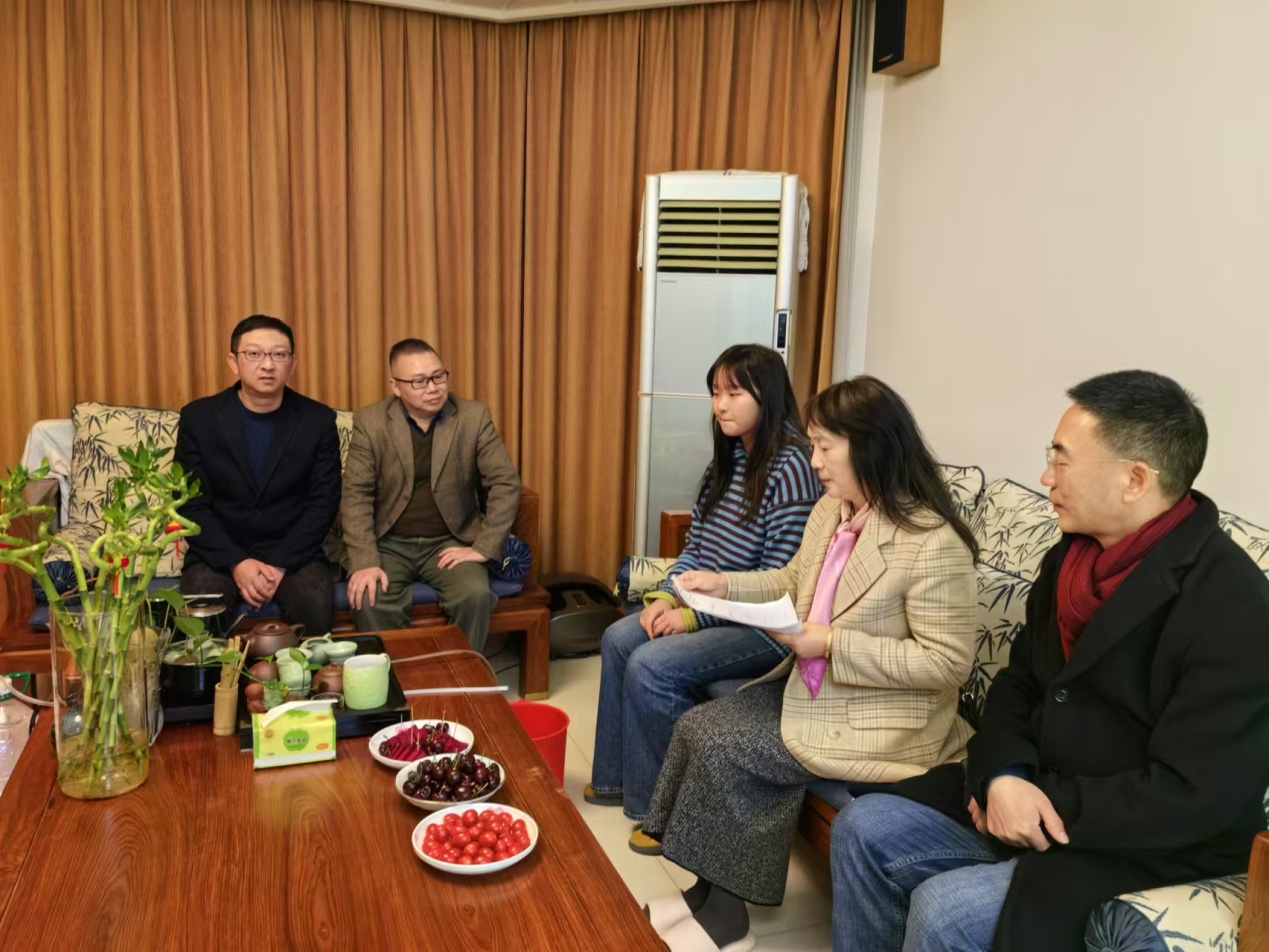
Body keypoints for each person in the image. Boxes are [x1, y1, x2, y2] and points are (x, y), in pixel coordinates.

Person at [830, 370, 1269, 952]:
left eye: (1062, 460)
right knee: (863, 828)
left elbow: (1196, 795)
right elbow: (1018, 684)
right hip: (1032, 789)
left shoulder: (1234, 604)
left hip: (1135, 844)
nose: (1046, 477)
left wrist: (1037, 803)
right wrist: (1004, 775)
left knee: (946, 912)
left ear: (1135, 479)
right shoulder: (1071, 559)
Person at [639, 376, 980, 952]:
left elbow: (947, 663)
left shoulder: (931, 542)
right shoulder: (833, 510)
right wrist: (723, 584)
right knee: (699, 725)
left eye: (825, 446)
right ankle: (705, 894)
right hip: (819, 687)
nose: (814, 460)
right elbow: (790, 579)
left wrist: (832, 644)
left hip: (881, 719)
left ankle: (726, 921)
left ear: (870, 446)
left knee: (728, 744)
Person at [586, 345, 822, 848]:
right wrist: (668, 597)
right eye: (715, 393)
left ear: (767, 395)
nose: (721, 405)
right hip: (713, 606)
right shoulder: (726, 462)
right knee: (618, 637)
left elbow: (779, 580)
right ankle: (616, 780)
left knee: (653, 664)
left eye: (734, 393)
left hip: (767, 627)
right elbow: (695, 547)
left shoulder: (793, 466)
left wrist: (693, 620)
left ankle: (671, 814)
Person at [339, 338, 520, 651]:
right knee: (371, 598)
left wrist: (482, 547)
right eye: (420, 381)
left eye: (439, 376)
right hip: (389, 542)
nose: (433, 388)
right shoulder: (371, 421)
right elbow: (356, 494)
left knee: (474, 596)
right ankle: (399, 675)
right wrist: (365, 560)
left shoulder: (473, 417)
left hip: (449, 541)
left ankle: (461, 674)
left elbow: (505, 482)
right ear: (396, 387)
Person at [176, 314, 341, 636]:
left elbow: (323, 503)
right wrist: (238, 563)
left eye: (279, 355)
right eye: (254, 354)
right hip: (219, 554)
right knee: (200, 614)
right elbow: (189, 504)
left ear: (292, 363)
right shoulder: (199, 418)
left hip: (294, 553)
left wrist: (278, 564)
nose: (267, 365)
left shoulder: (317, 420)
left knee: (312, 603)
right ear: (233, 362)